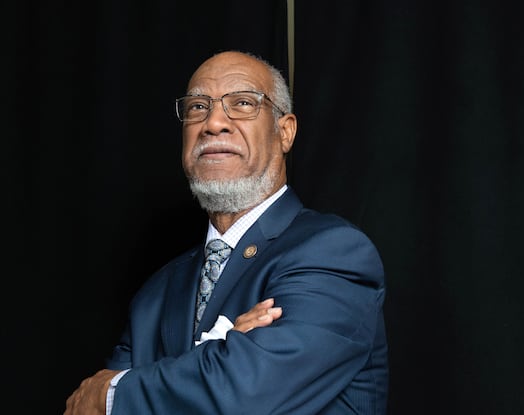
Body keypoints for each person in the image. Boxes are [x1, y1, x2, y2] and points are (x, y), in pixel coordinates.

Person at [65, 50, 388, 414]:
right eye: (198, 107)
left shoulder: (333, 252)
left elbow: (245, 395)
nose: (214, 122)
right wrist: (221, 353)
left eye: (243, 103)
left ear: (285, 132)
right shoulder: (155, 294)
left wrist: (112, 395)